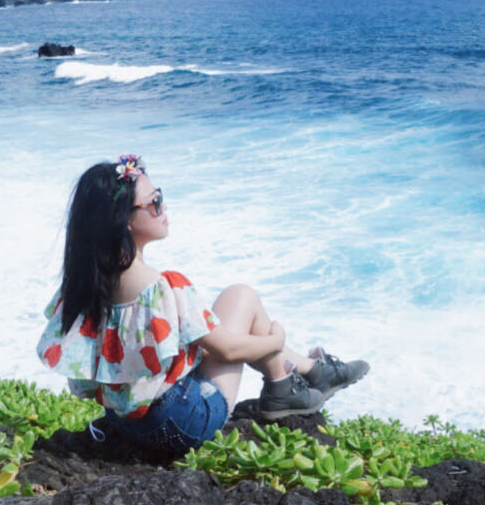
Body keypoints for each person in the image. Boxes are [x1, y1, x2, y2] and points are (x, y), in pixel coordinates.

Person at [36, 154, 368, 455]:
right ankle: (286, 382)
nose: (164, 208)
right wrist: (275, 340)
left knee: (232, 302)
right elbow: (230, 351)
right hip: (183, 424)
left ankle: (307, 373)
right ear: (124, 220)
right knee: (244, 298)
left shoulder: (85, 285)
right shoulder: (162, 287)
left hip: (127, 420)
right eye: (155, 202)